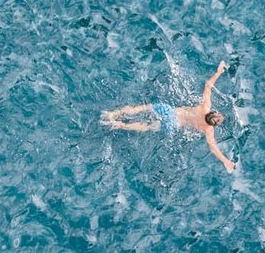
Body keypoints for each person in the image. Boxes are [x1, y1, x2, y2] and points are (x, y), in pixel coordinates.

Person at [101, 61, 237, 173]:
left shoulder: (204, 107)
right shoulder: (208, 129)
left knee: (140, 109)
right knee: (146, 126)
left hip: (170, 112)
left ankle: (112, 114)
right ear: (214, 124)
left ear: (212, 112)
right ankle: (119, 125)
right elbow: (213, 147)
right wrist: (227, 161)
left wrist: (219, 71)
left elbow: (208, 86)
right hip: (171, 124)